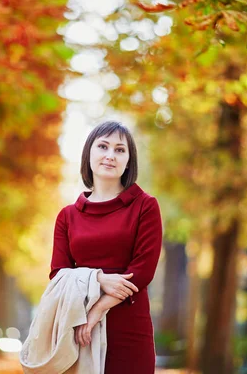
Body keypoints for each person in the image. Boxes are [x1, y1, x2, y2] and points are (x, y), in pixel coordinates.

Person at [50, 120, 163, 374]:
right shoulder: (68, 216)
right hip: (77, 328)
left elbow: (142, 272)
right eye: (103, 146)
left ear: (128, 160)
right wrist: (99, 278)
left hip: (128, 328)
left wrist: (97, 311)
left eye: (120, 150)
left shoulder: (145, 206)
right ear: (89, 153)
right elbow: (58, 275)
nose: (110, 156)